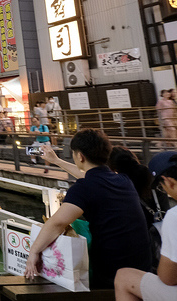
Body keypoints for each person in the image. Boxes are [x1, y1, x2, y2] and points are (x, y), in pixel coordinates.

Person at [25, 129, 151, 289]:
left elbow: (57, 223)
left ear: (80, 156)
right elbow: (90, 176)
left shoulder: (83, 188)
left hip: (112, 273)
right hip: (143, 266)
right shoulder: (123, 180)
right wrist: (56, 161)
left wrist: (34, 251)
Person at [114, 151, 177, 300]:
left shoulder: (174, 216)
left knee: (124, 277)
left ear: (168, 182)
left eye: (162, 187)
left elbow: (168, 278)